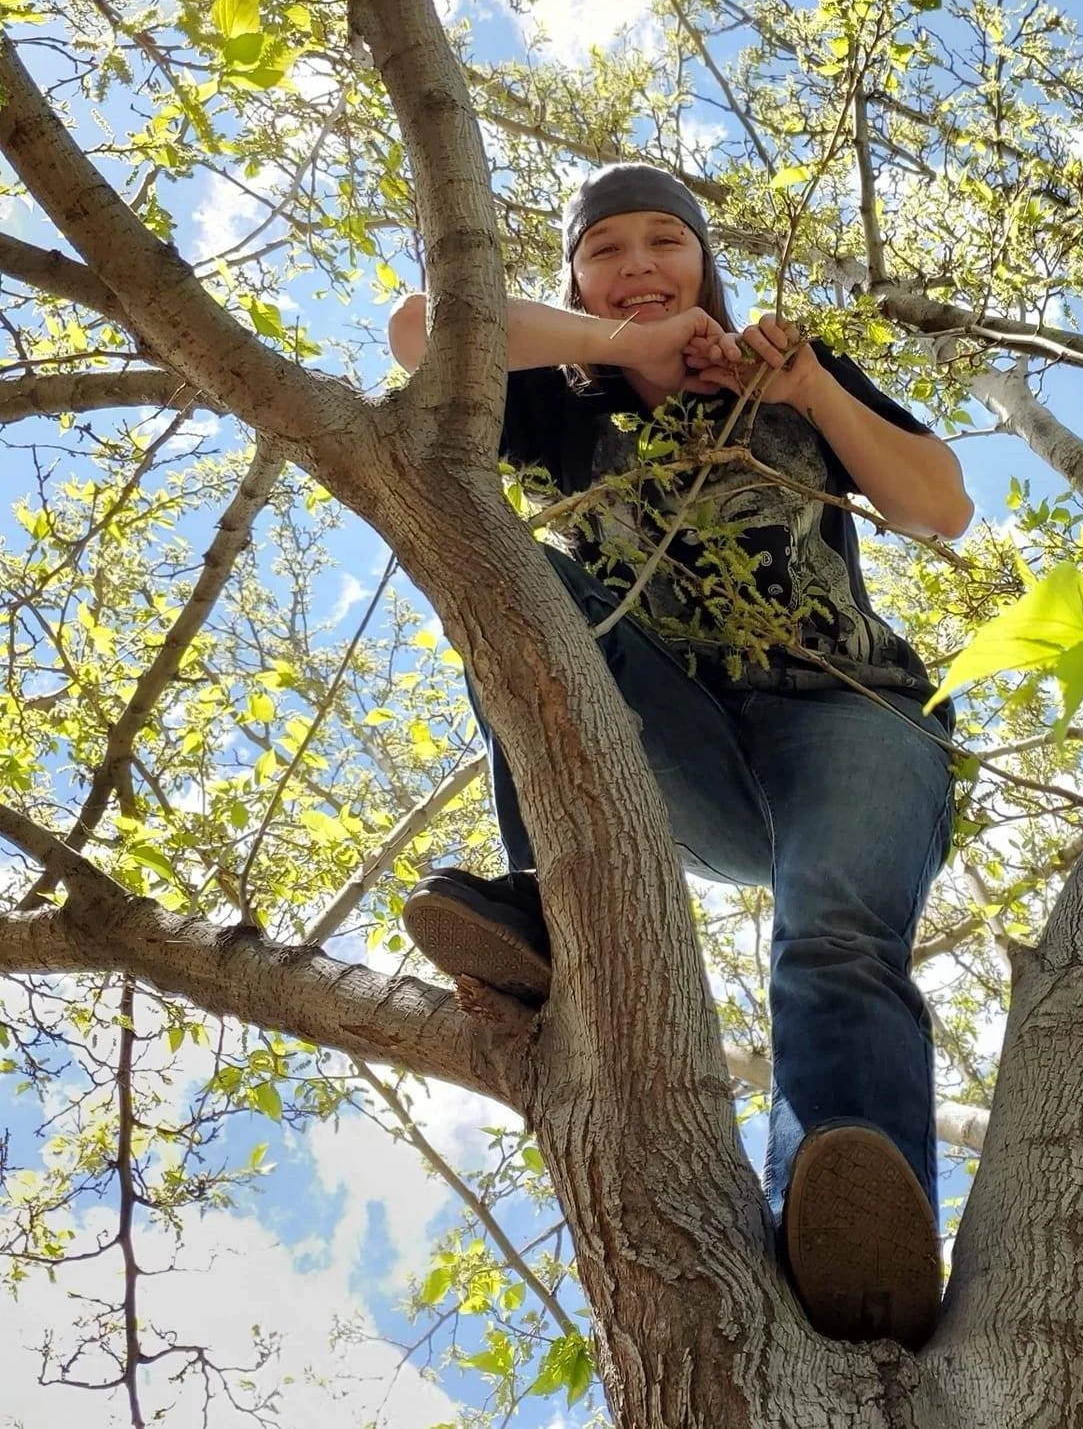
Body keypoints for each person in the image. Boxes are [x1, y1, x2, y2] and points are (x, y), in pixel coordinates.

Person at [387, 164, 972, 1351]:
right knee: (518, 575)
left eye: (668, 242)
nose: (642, 265)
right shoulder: (558, 393)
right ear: (574, 277)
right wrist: (619, 347)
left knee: (836, 938)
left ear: (706, 261)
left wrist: (809, 389)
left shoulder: (786, 373)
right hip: (680, 748)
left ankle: (849, 1224)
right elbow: (418, 329)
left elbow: (938, 508)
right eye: (607, 249)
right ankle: (551, 906)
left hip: (851, 717)